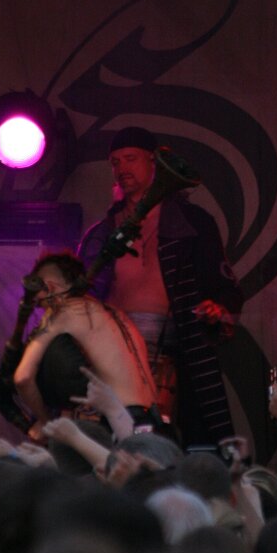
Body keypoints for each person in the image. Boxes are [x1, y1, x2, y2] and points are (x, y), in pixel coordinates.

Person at [79, 127, 243, 447]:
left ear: (153, 162)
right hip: (115, 357)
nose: (122, 168)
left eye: (131, 159)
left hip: (178, 354)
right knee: (112, 447)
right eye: (115, 162)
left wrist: (216, 309)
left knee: (188, 446)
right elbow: (83, 297)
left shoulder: (193, 224)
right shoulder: (102, 233)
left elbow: (226, 289)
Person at [13, 251, 157, 441]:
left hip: (120, 420)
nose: (41, 306)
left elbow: (22, 378)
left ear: (50, 287)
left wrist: (46, 422)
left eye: (39, 300)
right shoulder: (115, 313)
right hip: (152, 419)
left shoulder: (63, 312)